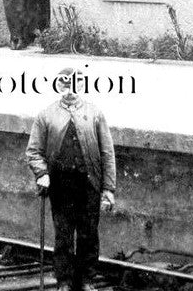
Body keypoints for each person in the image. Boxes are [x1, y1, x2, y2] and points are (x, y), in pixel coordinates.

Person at [26, 66, 116, 291]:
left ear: (83, 86)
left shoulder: (95, 114)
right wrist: (42, 174)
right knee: (64, 235)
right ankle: (64, 281)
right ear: (58, 86)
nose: (70, 91)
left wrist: (108, 189)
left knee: (88, 234)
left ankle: (86, 280)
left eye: (75, 85)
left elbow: (107, 153)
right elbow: (33, 151)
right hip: (61, 184)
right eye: (65, 85)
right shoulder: (46, 115)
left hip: (89, 184)